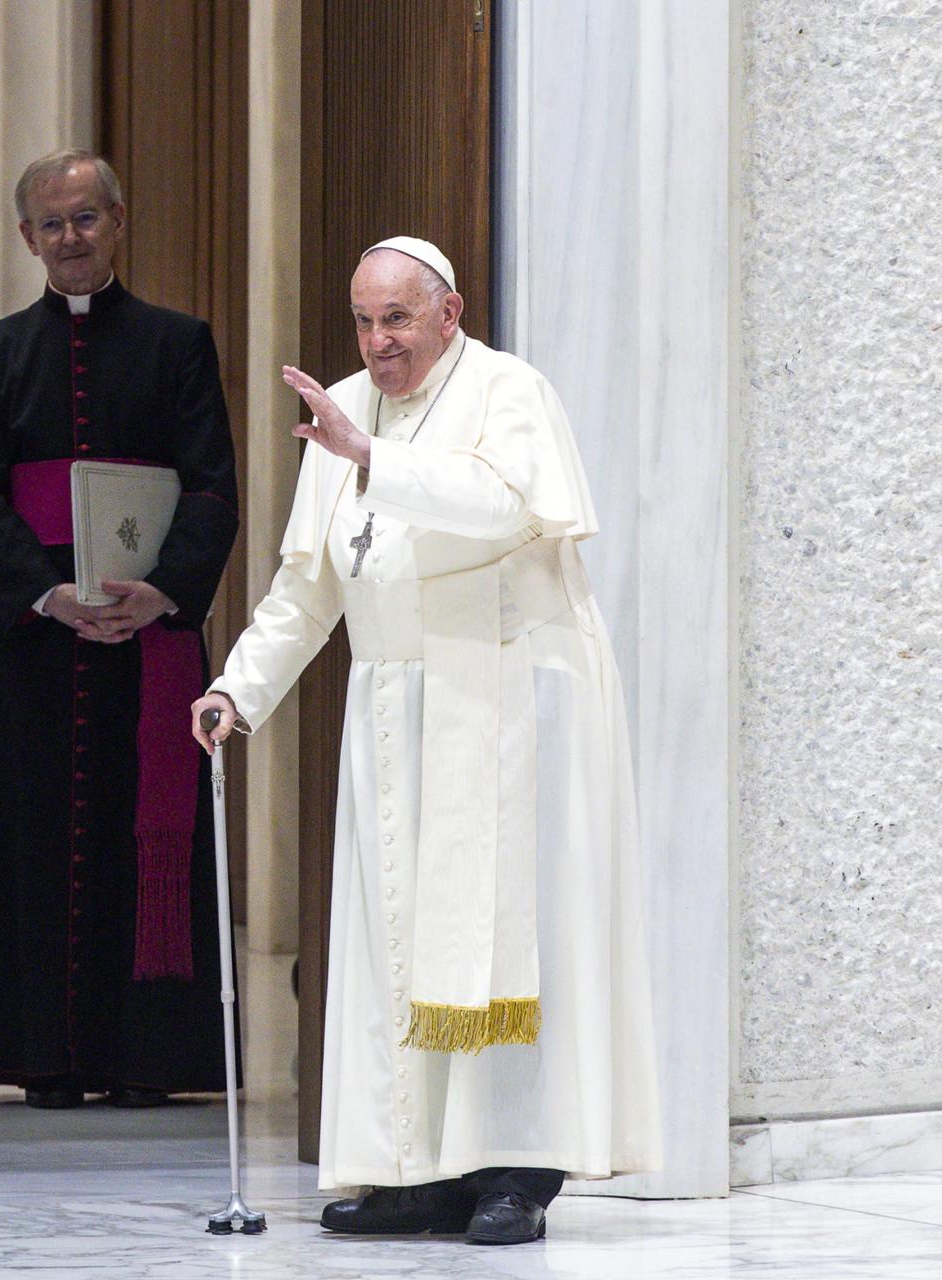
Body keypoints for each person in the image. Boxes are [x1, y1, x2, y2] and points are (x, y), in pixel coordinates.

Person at [192, 238, 661, 1244]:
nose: (378, 340)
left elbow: (502, 506)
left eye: (397, 318)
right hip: (394, 710)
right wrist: (238, 686)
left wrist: (374, 460)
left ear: (448, 313)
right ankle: (417, 1170)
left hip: (504, 706)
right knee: (397, 946)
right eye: (364, 320)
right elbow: (309, 584)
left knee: (501, 943)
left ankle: (514, 1170)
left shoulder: (509, 391)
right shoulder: (349, 409)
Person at [0, 150, 240, 1109]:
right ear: (27, 238)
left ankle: (142, 1055)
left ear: (118, 219)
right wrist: (48, 595)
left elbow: (213, 486)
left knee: (134, 842)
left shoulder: (178, 343)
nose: (70, 238)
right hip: (30, 644)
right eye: (51, 224)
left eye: (86, 219)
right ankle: (45, 1056)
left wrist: (164, 592)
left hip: (144, 642)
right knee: (29, 843)